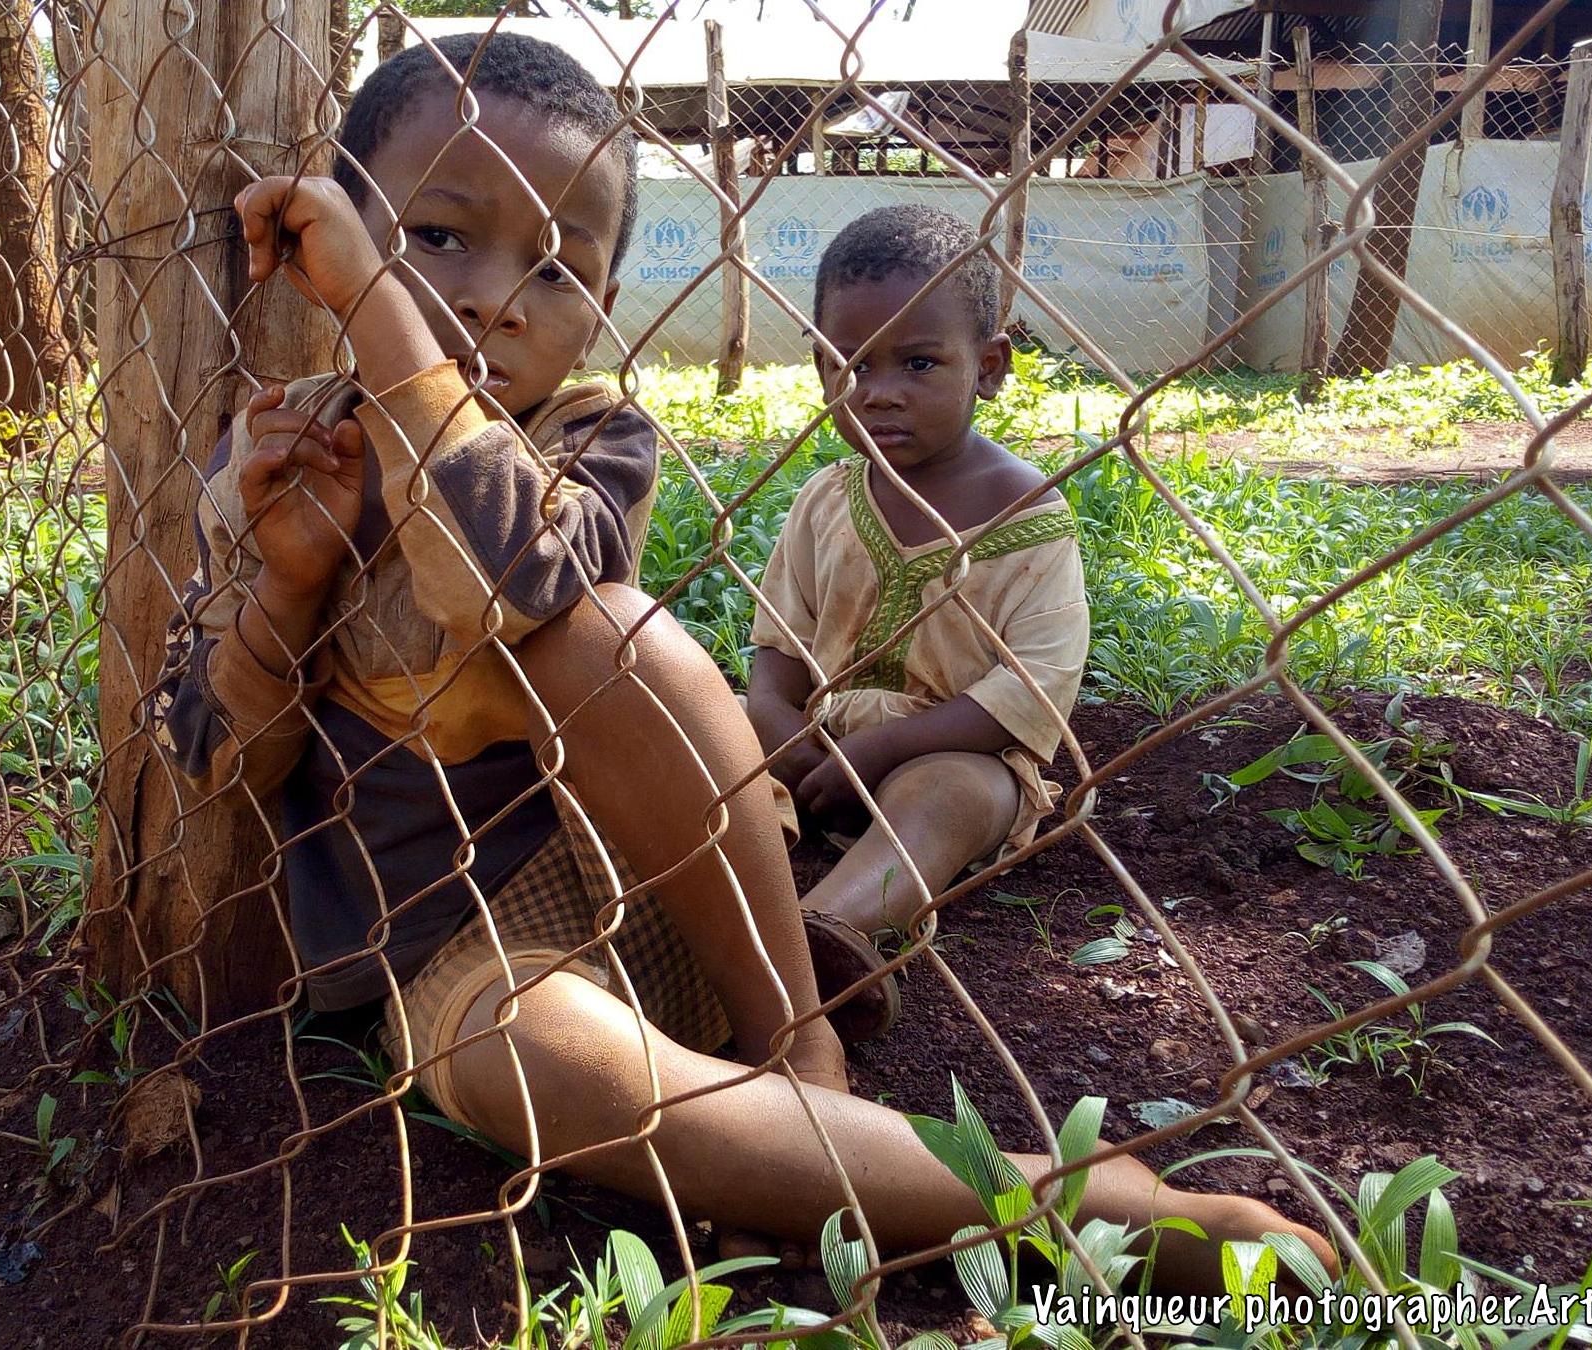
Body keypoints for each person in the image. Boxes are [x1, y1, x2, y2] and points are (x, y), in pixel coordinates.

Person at [149, 32, 1335, 1290]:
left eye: (557, 267)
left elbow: (500, 582)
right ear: (338, 228)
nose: (497, 298)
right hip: (457, 953)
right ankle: (993, 1188)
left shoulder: (591, 440)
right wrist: (288, 584)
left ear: (603, 301)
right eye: (437, 237)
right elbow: (215, 757)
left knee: (602, 631)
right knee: (522, 1073)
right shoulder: (276, 455)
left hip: (675, 884)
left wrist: (384, 320)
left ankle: (804, 1049)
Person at [745, 204, 1089, 1046]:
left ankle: (817, 935)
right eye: (851, 364)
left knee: (949, 793)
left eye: (920, 363)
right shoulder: (826, 499)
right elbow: (775, 660)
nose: (879, 392)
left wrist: (882, 750)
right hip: (818, 750)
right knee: (696, 716)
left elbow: (1032, 687)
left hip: (951, 757)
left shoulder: (1029, 517)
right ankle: (697, 883)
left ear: (990, 368)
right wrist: (788, 736)